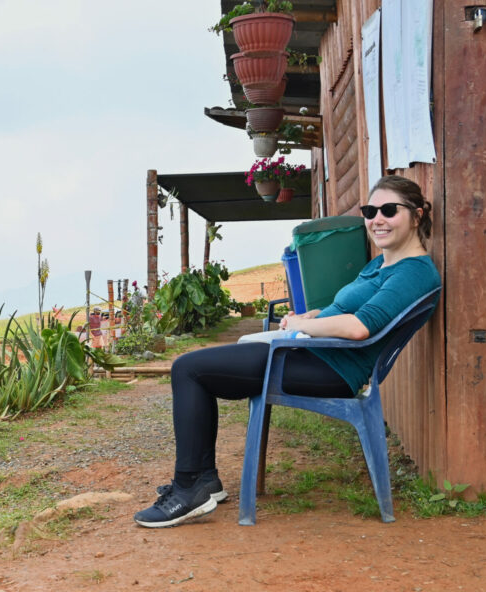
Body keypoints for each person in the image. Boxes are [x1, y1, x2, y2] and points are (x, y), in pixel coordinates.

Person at [134, 175, 442, 528]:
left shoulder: (414, 273)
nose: (377, 219)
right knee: (200, 367)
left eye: (390, 210)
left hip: (328, 368)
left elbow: (359, 327)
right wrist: (311, 317)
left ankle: (190, 487)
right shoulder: (382, 263)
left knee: (188, 369)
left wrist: (301, 325)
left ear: (417, 216)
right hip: (309, 353)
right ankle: (204, 479)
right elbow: (347, 309)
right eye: (371, 210)